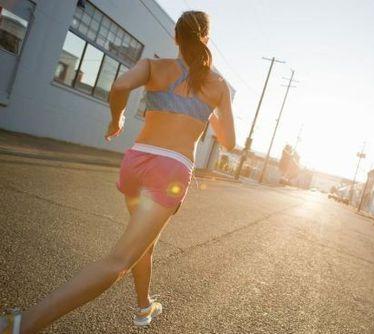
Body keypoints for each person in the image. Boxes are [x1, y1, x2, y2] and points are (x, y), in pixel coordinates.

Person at [0, 10, 235, 334]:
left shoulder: (153, 66)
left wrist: (116, 120)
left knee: (145, 244)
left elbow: (121, 86)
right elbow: (230, 142)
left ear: (176, 38)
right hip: (169, 172)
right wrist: (210, 116)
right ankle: (22, 325)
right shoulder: (218, 85)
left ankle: (143, 307)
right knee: (119, 261)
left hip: (136, 163)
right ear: (206, 39)